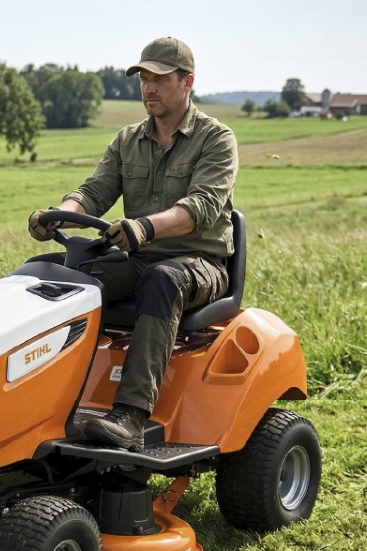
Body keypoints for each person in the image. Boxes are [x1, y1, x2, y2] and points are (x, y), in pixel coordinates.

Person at [27, 37, 236, 450]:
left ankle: (131, 416)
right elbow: (93, 191)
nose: (148, 88)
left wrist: (145, 227)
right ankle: (38, 397)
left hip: (199, 264)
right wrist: (56, 214)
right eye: (143, 78)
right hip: (139, 259)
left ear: (187, 82)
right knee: (45, 273)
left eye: (159, 78)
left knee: (162, 278)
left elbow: (201, 207)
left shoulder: (216, 139)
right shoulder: (128, 140)